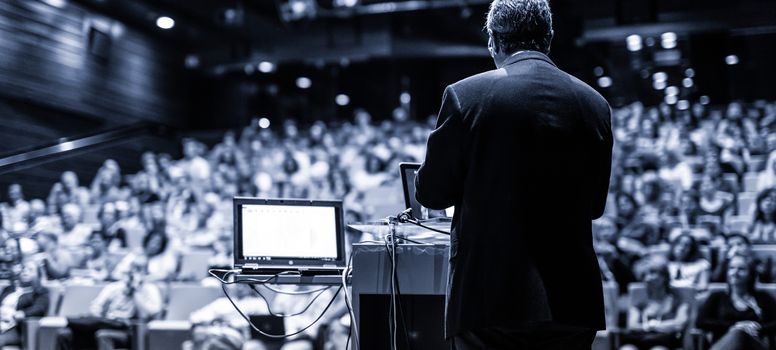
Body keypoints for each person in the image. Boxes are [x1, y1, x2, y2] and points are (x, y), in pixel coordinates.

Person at [414, 0, 613, 348]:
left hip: (489, 299)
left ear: (494, 41)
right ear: (549, 38)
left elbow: (431, 193)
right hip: (571, 302)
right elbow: (595, 205)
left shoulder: (465, 96)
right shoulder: (594, 104)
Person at [55, 256, 163, 350]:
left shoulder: (150, 289)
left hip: (132, 331)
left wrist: (135, 292)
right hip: (108, 324)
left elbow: (150, 313)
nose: (135, 273)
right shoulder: (114, 287)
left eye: (140, 270)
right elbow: (95, 307)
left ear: (145, 272)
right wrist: (102, 316)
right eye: (133, 268)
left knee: (103, 335)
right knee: (64, 334)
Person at [697, 254, 776, 350]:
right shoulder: (717, 297)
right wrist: (734, 326)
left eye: (741, 269)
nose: (735, 272)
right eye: (731, 268)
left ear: (751, 274)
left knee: (740, 334)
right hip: (724, 344)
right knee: (738, 333)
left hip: (755, 344)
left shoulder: (763, 298)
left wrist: (758, 327)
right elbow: (701, 322)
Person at [619, 258, 689, 350]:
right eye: (644, 275)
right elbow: (632, 325)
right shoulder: (640, 303)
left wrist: (653, 326)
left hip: (664, 342)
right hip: (640, 340)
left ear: (664, 277)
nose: (647, 278)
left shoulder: (677, 301)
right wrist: (657, 326)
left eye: (652, 273)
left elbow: (680, 323)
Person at [0, 260, 50, 347]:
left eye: (30, 270)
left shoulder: (39, 292)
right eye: (24, 268)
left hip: (15, 327)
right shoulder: (9, 289)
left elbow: (39, 308)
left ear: (38, 275)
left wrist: (22, 313)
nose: (25, 271)